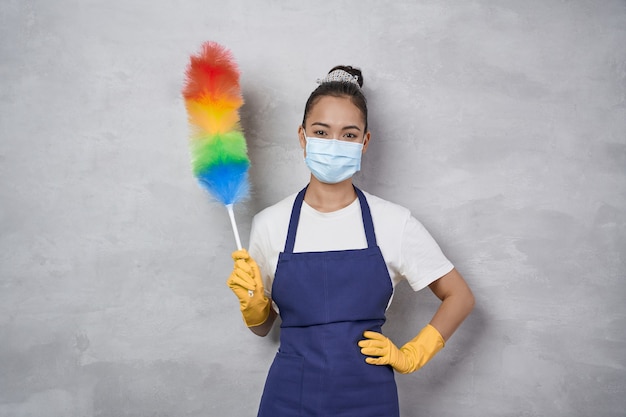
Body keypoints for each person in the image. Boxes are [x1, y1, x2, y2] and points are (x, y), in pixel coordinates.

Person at [226, 66, 475, 417]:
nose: (333, 144)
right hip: (289, 397)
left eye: (348, 134)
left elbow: (460, 296)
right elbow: (265, 328)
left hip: (369, 398)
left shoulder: (394, 223)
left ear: (364, 142)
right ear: (302, 136)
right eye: (321, 131)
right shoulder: (270, 224)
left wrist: (412, 354)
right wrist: (255, 310)